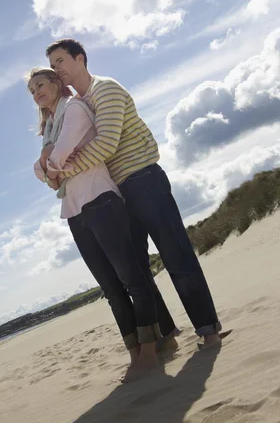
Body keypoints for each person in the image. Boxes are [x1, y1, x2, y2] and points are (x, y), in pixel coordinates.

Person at [43, 39, 222, 348]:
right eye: (53, 63)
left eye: (61, 60)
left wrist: (64, 172)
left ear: (80, 59)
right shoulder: (81, 104)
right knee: (138, 268)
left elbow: (106, 145)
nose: (56, 68)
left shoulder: (106, 89)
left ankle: (208, 329)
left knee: (175, 253)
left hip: (143, 179)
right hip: (119, 193)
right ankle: (168, 334)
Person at [27, 67, 178, 382]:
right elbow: (40, 173)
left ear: (56, 83)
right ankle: (135, 352)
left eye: (40, 84)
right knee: (111, 288)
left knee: (132, 280)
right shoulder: (50, 126)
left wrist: (51, 164)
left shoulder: (74, 109)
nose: (36, 93)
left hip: (101, 200)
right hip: (75, 211)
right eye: (32, 91)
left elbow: (57, 160)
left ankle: (153, 350)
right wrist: (48, 161)